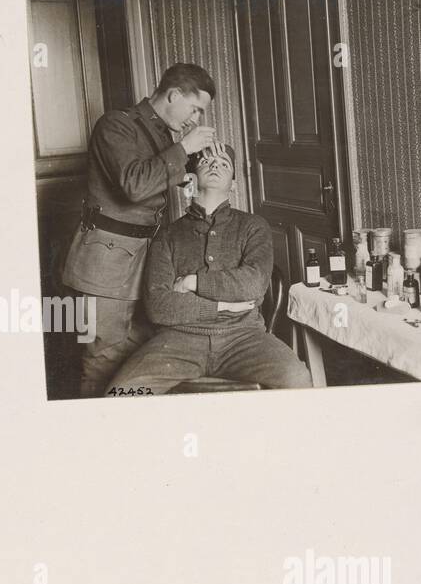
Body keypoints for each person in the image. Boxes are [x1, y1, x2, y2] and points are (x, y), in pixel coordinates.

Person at [62, 63, 220, 397]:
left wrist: (200, 161)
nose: (196, 119)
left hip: (141, 259)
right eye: (195, 109)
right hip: (105, 264)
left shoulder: (160, 133)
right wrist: (184, 150)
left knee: (135, 353)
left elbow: (159, 170)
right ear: (174, 95)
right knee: (102, 357)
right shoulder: (116, 125)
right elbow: (133, 185)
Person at [105, 144, 312, 395]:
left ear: (234, 186)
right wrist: (222, 306)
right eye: (206, 162)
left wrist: (192, 282)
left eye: (224, 163)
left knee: (297, 379)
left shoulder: (253, 226)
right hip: (178, 340)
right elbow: (158, 307)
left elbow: (254, 285)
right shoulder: (168, 235)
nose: (215, 165)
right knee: (120, 393)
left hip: (243, 336)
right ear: (190, 179)